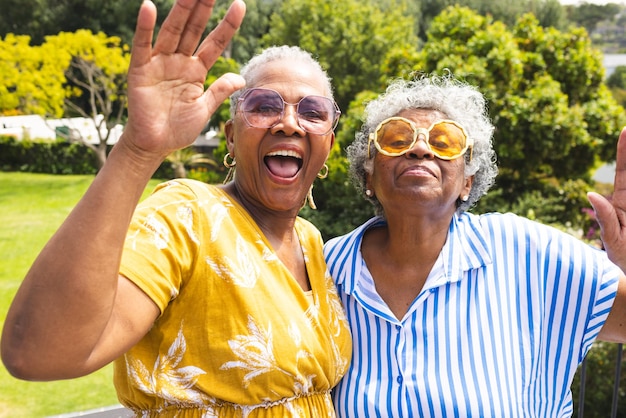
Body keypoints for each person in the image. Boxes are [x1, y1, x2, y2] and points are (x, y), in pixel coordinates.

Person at [1, 1, 351, 416]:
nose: (289, 123)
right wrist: (137, 151)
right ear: (231, 138)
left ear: (327, 145)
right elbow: (38, 351)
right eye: (265, 106)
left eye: (312, 112)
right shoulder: (190, 213)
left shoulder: (312, 242)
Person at [323, 74, 626, 417]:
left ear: (467, 180)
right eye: (396, 139)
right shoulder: (326, 269)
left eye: (444, 142)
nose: (420, 149)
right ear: (369, 176)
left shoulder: (526, 251)